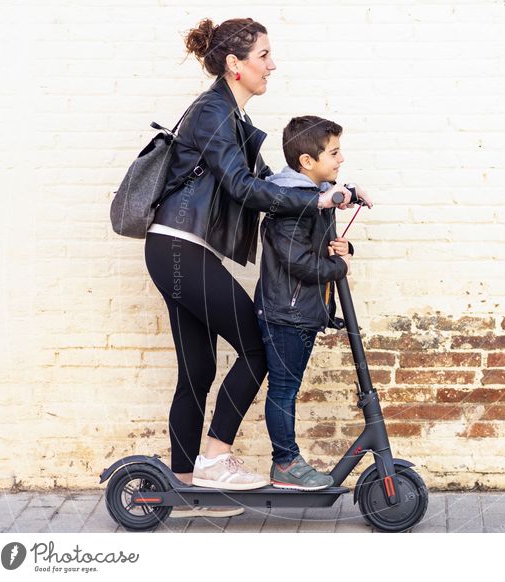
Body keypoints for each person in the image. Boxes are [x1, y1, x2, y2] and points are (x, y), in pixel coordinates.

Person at [143, 18, 355, 518]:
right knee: (256, 347)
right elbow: (243, 188)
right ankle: (215, 456)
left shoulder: (230, 117)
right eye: (264, 56)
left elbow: (270, 179)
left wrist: (325, 190)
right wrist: (320, 203)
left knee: (197, 369)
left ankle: (184, 485)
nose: (272, 65)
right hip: (179, 249)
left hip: (180, 250)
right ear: (235, 65)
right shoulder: (213, 112)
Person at [255, 115, 372, 490]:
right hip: (286, 313)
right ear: (307, 161)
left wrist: (343, 249)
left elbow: (313, 248)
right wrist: (337, 267)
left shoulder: (310, 198)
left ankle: (286, 462)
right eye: (334, 153)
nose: (340, 160)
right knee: (284, 389)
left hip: (299, 311)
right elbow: (297, 262)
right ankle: (285, 463)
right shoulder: (290, 202)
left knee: (287, 387)